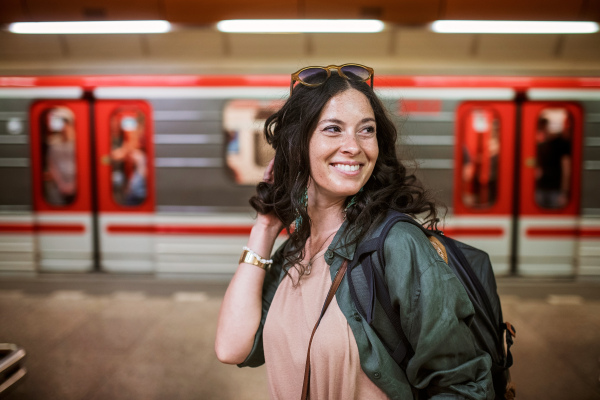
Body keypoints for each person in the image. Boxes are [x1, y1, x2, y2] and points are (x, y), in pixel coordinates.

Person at [215, 64, 493, 399]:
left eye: (366, 130)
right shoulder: (297, 249)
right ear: (296, 145)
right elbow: (232, 348)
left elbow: (462, 385)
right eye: (333, 129)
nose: (354, 147)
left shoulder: (396, 245)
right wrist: (265, 226)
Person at [535, 117, 571, 209]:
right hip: (540, 187)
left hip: (555, 189)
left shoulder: (561, 144)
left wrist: (565, 191)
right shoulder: (539, 145)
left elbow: (566, 168)